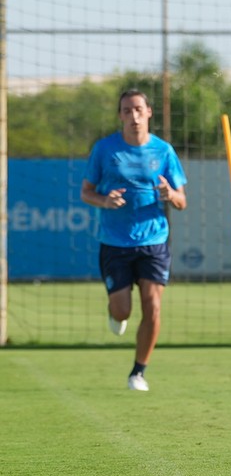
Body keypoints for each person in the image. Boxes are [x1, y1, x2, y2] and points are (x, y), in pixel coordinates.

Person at [81, 89, 188, 392]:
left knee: (153, 306)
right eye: (127, 110)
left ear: (149, 112)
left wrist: (170, 194)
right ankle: (115, 312)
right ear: (120, 116)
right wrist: (105, 200)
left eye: (139, 109)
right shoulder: (105, 149)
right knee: (122, 311)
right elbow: (86, 192)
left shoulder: (164, 151)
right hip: (115, 242)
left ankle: (138, 372)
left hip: (154, 240)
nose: (134, 116)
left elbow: (182, 201)